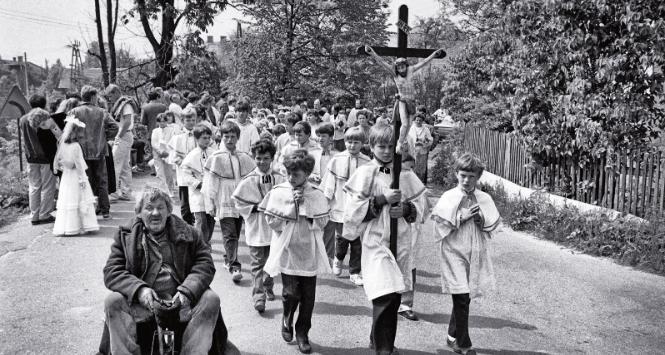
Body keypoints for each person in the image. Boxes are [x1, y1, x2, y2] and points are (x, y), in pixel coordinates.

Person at [102, 187, 227, 355]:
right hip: (141, 304)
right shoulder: (125, 235)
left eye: (160, 207)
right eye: (149, 208)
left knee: (211, 299)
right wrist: (139, 290)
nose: (155, 213)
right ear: (139, 212)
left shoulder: (189, 233)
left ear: (169, 210)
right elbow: (112, 271)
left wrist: (187, 291)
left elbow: (205, 264)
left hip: (181, 301)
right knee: (113, 301)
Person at [343, 124, 428, 355]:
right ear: (372, 147)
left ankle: (377, 338)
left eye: (391, 146)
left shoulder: (406, 174)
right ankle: (384, 349)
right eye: (382, 146)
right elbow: (351, 212)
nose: (387, 151)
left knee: (392, 294)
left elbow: (423, 207)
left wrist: (406, 209)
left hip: (399, 239)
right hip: (375, 240)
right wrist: (381, 200)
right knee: (385, 291)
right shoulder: (364, 173)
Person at [258, 149, 331, 354]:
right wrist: (291, 208)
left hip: (308, 249)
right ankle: (287, 318)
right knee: (291, 293)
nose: (291, 178)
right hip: (287, 248)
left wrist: (305, 207)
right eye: (289, 173)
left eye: (296, 174)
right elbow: (271, 220)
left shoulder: (315, 193)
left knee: (308, 297)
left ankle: (302, 333)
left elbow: (323, 221)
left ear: (307, 173)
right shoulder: (279, 191)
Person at [430, 153, 500, 355]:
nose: (467, 180)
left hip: (475, 250)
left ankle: (452, 336)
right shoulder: (449, 196)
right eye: (462, 175)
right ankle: (463, 343)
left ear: (478, 177)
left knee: (465, 296)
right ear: (456, 174)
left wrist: (480, 220)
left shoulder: (484, 198)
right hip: (453, 250)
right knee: (460, 295)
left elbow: (493, 226)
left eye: (471, 176)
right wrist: (461, 216)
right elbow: (439, 226)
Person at [232, 139, 285, 313]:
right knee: (256, 264)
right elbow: (238, 202)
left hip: (275, 228)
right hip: (256, 227)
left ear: (272, 158)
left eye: (266, 158)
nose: (262, 162)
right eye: (258, 158)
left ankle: (268, 285)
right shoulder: (248, 180)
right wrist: (256, 207)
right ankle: (258, 297)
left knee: (271, 262)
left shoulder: (279, 177)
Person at [202, 121, 256, 283]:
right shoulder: (216, 158)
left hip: (240, 199)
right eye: (226, 136)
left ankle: (228, 257)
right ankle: (235, 266)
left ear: (238, 138)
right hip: (223, 198)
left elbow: (251, 178)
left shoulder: (244, 156)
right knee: (230, 233)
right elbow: (210, 182)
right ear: (222, 137)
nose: (230, 140)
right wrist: (210, 203)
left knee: (236, 232)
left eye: (233, 136)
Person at [365, 45, 444, 154]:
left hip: (412, 101)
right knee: (405, 124)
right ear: (396, 68)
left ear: (406, 66)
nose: (401, 69)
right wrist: (372, 52)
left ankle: (405, 141)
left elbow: (424, 62)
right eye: (399, 67)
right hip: (402, 100)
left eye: (403, 66)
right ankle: (399, 143)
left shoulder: (411, 70)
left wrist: (434, 54)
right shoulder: (394, 74)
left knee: (411, 125)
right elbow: (382, 63)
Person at [320, 126, 370, 284]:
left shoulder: (367, 162)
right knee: (342, 238)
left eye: (356, 142)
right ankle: (338, 257)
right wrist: (326, 202)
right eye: (349, 142)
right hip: (340, 204)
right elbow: (330, 183)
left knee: (357, 241)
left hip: (359, 206)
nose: (352, 145)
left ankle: (355, 271)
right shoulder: (337, 159)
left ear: (362, 143)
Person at [70, 86, 119, 219]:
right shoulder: (102, 112)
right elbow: (115, 127)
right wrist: (105, 136)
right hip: (99, 150)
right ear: (93, 97)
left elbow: (69, 131)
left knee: (85, 181)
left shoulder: (75, 111)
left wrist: (75, 141)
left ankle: (89, 209)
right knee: (102, 181)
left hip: (81, 152)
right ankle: (105, 210)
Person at [52, 116, 99, 236]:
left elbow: (59, 161)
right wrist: (82, 179)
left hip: (67, 177)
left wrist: (63, 165)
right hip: (76, 176)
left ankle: (69, 226)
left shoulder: (62, 145)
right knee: (81, 198)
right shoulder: (76, 146)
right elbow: (78, 165)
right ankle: (84, 225)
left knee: (69, 200)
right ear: (75, 132)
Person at [20, 94, 58, 225]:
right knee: (48, 186)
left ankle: (34, 216)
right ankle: (44, 214)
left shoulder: (23, 119)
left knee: (34, 186)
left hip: (30, 157)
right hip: (45, 157)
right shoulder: (45, 117)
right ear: (44, 104)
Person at [181, 124, 217, 243]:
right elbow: (185, 174)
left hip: (211, 193)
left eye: (208, 138)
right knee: (201, 221)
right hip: (198, 194)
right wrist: (197, 183)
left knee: (211, 220)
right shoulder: (192, 156)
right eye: (203, 138)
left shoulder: (214, 153)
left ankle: (206, 242)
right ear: (197, 139)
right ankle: (201, 245)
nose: (207, 140)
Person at [106, 84, 139, 202]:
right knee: (125, 166)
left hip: (123, 135)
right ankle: (126, 192)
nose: (110, 99)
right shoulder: (122, 103)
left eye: (110, 96)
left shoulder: (125, 104)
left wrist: (118, 136)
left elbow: (127, 122)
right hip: (125, 135)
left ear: (115, 92)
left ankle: (113, 193)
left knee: (115, 164)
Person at [167, 107, 198, 225]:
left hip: (197, 174)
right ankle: (187, 226)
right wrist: (184, 161)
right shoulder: (178, 136)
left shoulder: (199, 134)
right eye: (188, 120)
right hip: (184, 174)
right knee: (185, 204)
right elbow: (173, 156)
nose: (190, 123)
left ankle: (198, 228)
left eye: (193, 120)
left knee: (197, 202)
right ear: (183, 121)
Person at [150, 113, 176, 196]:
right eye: (160, 122)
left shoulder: (171, 130)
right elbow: (154, 143)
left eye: (164, 121)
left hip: (168, 153)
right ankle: (164, 191)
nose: (162, 123)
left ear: (166, 121)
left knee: (169, 173)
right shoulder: (155, 131)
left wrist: (167, 151)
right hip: (158, 154)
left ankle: (170, 189)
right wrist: (159, 151)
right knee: (160, 173)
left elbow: (173, 141)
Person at [408, 113, 434, 184]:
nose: (418, 122)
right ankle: (413, 183)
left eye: (420, 120)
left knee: (421, 168)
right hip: (413, 151)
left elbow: (431, 139)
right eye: (417, 120)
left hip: (422, 151)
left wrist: (425, 143)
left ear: (422, 121)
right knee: (413, 167)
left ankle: (420, 183)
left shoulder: (425, 129)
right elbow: (408, 139)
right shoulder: (411, 128)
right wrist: (413, 143)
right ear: (415, 120)